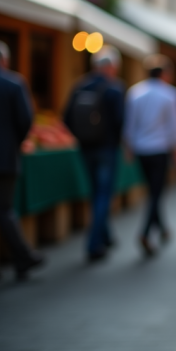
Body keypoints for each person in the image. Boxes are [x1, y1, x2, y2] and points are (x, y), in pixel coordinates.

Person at [0, 40, 44, 281]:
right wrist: (14, 142)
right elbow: (25, 120)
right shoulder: (14, 83)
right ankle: (22, 257)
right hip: (3, 158)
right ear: (4, 60)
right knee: (4, 210)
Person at [64, 45, 124, 262]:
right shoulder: (114, 89)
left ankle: (105, 235)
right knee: (103, 194)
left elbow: (66, 118)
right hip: (107, 149)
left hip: (86, 148)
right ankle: (94, 244)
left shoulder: (80, 86)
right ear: (112, 67)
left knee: (96, 193)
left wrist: (82, 137)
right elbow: (120, 121)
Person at [124, 55, 176, 257]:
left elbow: (130, 124)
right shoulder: (170, 94)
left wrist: (128, 146)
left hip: (141, 149)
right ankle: (145, 232)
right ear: (165, 73)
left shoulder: (135, 92)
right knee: (156, 193)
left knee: (153, 190)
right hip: (160, 150)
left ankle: (163, 228)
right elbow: (175, 126)